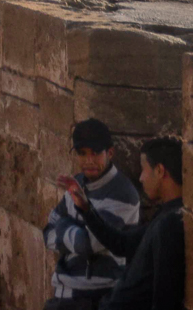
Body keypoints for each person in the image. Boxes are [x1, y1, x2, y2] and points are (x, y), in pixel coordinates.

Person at [64, 137, 185, 310]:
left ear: (159, 171)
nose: (141, 178)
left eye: (144, 170)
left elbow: (165, 299)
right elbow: (122, 244)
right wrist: (86, 210)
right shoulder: (165, 216)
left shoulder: (170, 224)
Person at [43, 119, 141, 308]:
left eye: (95, 153)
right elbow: (47, 232)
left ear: (109, 153)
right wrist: (74, 234)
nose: (89, 161)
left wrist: (64, 226)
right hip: (63, 295)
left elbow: (88, 243)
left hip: (97, 297)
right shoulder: (77, 183)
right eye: (82, 154)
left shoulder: (122, 193)